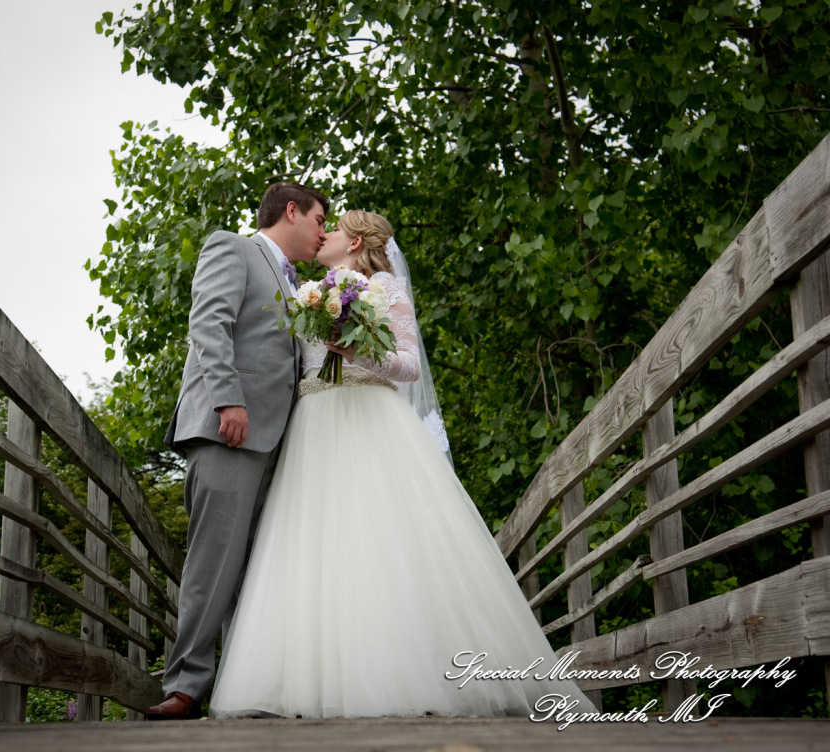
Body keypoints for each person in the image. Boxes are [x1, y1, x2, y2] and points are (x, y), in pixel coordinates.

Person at [208, 210, 599, 718]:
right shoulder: (309, 293)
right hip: (314, 427)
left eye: (333, 228)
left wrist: (356, 351)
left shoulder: (385, 288)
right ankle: (302, 682)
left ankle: (399, 676)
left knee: (380, 541)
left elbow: (409, 366)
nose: (321, 234)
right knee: (314, 545)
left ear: (354, 243)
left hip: (371, 418)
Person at [148, 183, 330, 720]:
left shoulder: (297, 282)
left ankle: (237, 689)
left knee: (253, 570)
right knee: (214, 561)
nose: (324, 230)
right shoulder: (233, 247)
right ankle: (184, 686)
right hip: (231, 430)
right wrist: (228, 400)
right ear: (291, 211)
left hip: (275, 442)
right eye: (320, 218)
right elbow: (209, 323)